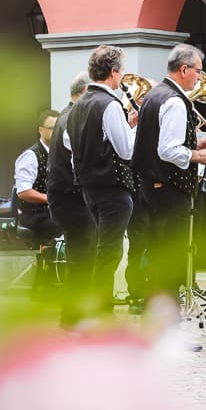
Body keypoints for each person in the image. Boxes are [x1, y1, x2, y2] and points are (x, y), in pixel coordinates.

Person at [132, 44, 206, 312]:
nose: (200, 78)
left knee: (157, 252)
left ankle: (155, 310)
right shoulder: (175, 101)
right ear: (184, 69)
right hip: (169, 189)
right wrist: (198, 156)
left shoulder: (155, 94)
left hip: (151, 186)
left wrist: (194, 147)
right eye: (198, 72)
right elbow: (167, 150)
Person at [65, 45, 137, 318]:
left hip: (89, 188)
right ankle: (100, 309)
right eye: (121, 71)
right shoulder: (110, 104)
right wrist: (134, 128)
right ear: (113, 72)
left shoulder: (78, 105)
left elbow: (76, 148)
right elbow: (126, 151)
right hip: (112, 188)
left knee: (101, 249)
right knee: (109, 253)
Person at [46, 72, 93, 328]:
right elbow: (79, 160)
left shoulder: (68, 115)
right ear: (85, 90)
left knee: (82, 255)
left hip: (67, 196)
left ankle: (75, 313)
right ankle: (73, 316)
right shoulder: (73, 118)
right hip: (72, 198)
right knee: (81, 257)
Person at [13, 109, 62, 243]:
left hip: (54, 212)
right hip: (34, 215)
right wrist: (51, 199)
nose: (57, 131)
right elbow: (23, 192)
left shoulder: (62, 154)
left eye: (59, 128)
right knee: (71, 226)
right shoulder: (30, 156)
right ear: (41, 130)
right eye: (52, 128)